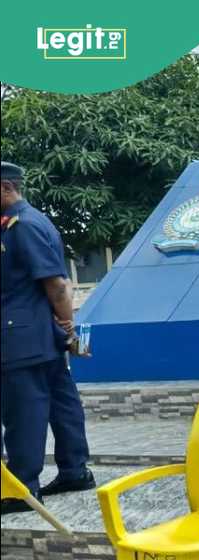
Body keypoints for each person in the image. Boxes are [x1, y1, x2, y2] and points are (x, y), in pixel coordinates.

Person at [1, 161, 96, 515]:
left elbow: (57, 284)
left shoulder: (21, 226)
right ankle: (74, 471)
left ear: (6, 189)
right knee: (61, 403)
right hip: (41, 335)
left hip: (22, 338)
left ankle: (22, 490)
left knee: (23, 411)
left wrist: (68, 326)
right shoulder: (28, 222)